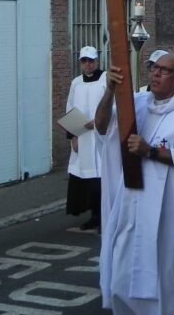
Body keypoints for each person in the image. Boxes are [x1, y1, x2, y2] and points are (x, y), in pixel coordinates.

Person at [95, 53, 174, 314]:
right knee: (124, 265)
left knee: (166, 271)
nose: (156, 74)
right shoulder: (135, 103)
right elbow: (102, 127)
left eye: (165, 70)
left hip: (170, 202)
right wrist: (109, 92)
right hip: (132, 200)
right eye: (154, 68)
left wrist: (150, 152)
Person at [65, 46, 107, 231]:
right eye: (84, 61)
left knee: (102, 179)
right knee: (86, 180)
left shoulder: (106, 79)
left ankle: (105, 217)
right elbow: (70, 108)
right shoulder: (76, 83)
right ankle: (94, 216)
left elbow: (113, 105)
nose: (88, 64)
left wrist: (98, 121)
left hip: (102, 137)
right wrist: (72, 135)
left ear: (96, 61)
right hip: (83, 138)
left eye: (91, 61)